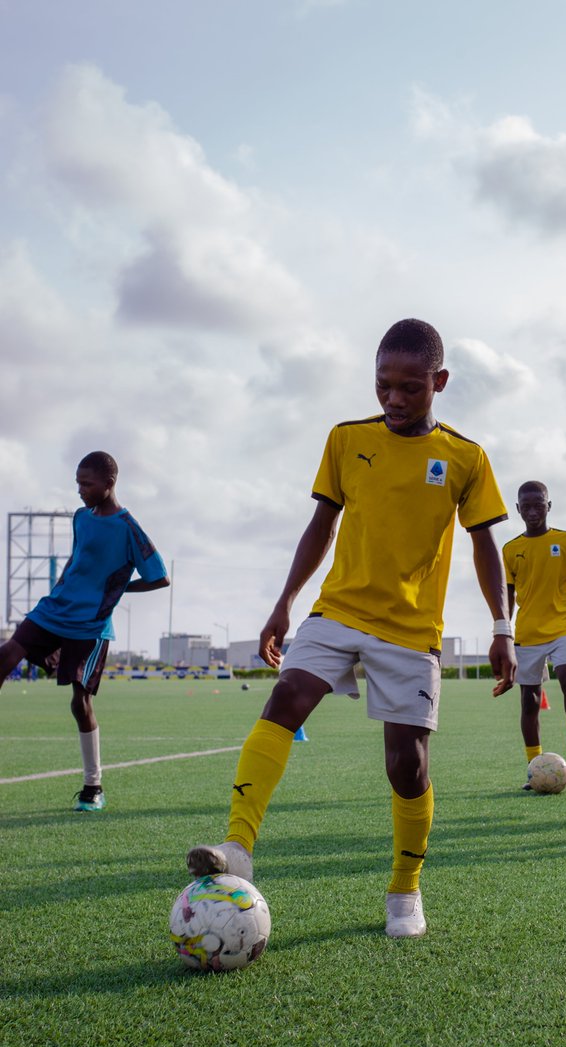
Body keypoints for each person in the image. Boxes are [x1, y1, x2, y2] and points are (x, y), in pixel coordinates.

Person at [186, 319, 516, 938]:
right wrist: (286, 599)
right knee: (286, 697)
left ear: (438, 382)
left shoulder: (465, 457)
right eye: (382, 385)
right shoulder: (345, 439)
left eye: (409, 387)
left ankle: (404, 890)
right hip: (337, 610)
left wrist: (503, 626)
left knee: (407, 765)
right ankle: (239, 847)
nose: (392, 399)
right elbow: (321, 527)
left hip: (412, 631)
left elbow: (484, 545)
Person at [0, 452, 169, 810]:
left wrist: (114, 591)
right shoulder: (80, 517)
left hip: (90, 624)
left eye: (86, 484)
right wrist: (60, 588)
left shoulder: (128, 528)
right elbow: (76, 560)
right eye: (77, 483)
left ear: (109, 484)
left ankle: (93, 786)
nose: (79, 490)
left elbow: (159, 577)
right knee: (6, 655)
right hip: (54, 608)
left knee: (80, 702)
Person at [502, 481, 566, 785]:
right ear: (518, 509)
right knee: (529, 701)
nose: (532, 511)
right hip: (527, 633)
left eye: (538, 504)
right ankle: (534, 766)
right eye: (525, 506)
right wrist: (501, 633)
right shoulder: (511, 549)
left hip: (562, 628)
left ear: (549, 506)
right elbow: (507, 595)